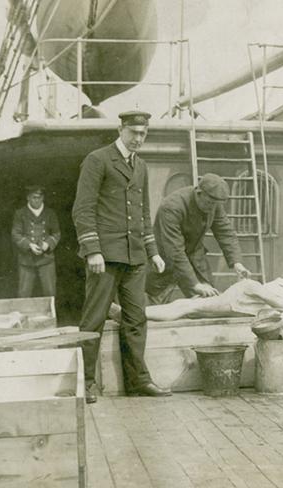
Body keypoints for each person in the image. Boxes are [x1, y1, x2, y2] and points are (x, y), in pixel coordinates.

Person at [72, 110, 168, 402]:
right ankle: (86, 382)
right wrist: (93, 250)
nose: (138, 139)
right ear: (121, 129)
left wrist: (152, 251)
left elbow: (144, 212)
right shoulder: (98, 160)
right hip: (106, 257)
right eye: (134, 133)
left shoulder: (141, 166)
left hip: (135, 257)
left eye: (143, 134)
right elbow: (83, 209)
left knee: (137, 319)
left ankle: (139, 381)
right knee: (94, 320)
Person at [146, 173, 252, 304]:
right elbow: (175, 251)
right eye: (209, 203)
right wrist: (195, 285)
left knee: (210, 301)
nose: (212, 208)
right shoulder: (171, 207)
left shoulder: (213, 203)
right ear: (198, 193)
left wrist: (237, 264)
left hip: (194, 256)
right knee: (151, 307)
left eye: (215, 205)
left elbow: (226, 233)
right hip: (166, 260)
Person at [145, 278, 283, 321]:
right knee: (189, 307)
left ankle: (136, 313)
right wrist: (262, 293)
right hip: (247, 296)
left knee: (190, 307)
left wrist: (263, 294)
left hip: (248, 298)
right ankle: (136, 313)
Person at [11, 185, 60, 298]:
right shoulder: (20, 213)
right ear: (28, 198)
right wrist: (29, 245)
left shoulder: (50, 213)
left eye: (40, 197)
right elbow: (16, 234)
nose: (37, 200)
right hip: (26, 259)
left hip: (46, 259)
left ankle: (51, 315)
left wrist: (47, 244)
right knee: (24, 293)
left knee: (50, 293)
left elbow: (56, 233)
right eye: (34, 197)